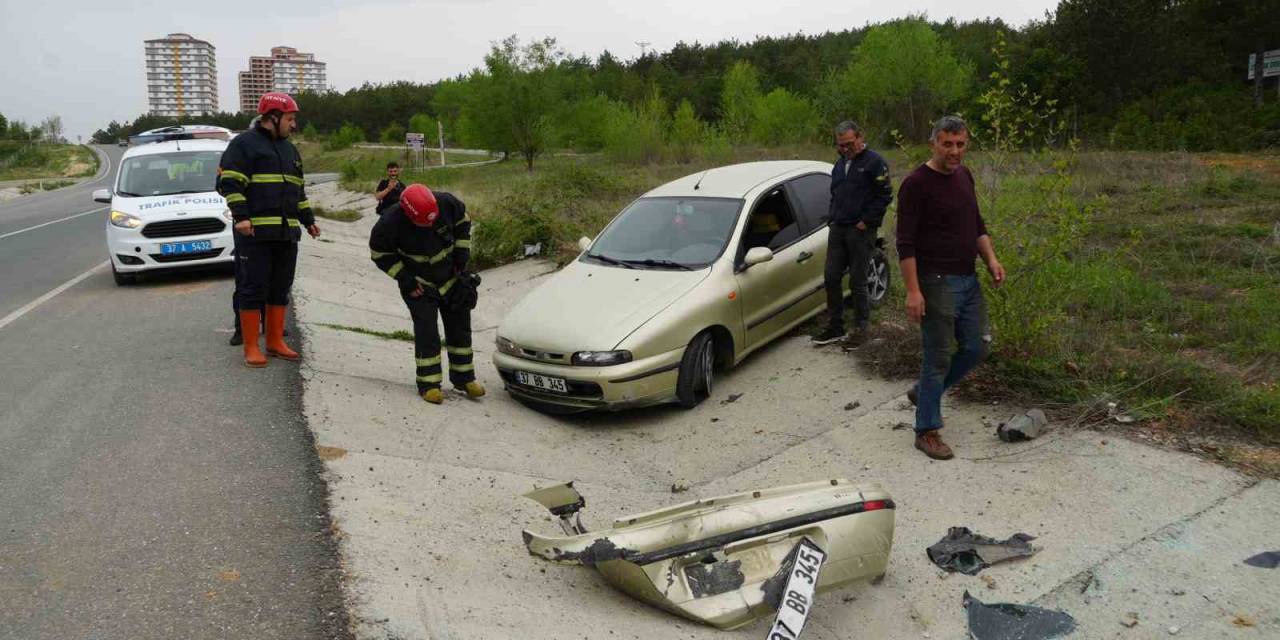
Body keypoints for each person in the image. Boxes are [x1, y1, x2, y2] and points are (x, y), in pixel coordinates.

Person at [896, 115, 1006, 460]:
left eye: (960, 144)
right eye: (947, 144)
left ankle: (925, 393)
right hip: (936, 282)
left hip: (968, 279)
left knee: (977, 347)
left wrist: (991, 259)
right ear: (934, 143)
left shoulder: (964, 175)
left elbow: (976, 224)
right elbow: (905, 243)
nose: (955, 151)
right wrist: (913, 291)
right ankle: (926, 430)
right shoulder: (916, 184)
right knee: (938, 357)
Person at [217, 92, 320, 367]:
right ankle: (251, 347)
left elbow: (298, 191)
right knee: (252, 288)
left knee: (280, 287)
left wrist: (308, 219)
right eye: (290, 119)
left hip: (286, 234)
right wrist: (241, 216)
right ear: (272, 117)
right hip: (255, 235)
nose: (293, 125)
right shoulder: (244, 145)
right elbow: (230, 182)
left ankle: (275, 342)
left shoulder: (290, 150)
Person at [369, 183, 484, 404]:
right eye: (424, 222)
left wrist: (462, 255)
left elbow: (463, 223)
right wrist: (405, 279)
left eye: (432, 219)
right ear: (408, 213)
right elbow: (379, 254)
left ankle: (464, 378)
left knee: (460, 328)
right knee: (427, 332)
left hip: (451, 278)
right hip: (419, 285)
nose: (430, 224)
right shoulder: (389, 223)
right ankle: (429, 384)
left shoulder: (447, 204)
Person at [812, 121, 893, 346]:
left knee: (858, 280)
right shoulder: (839, 165)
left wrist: (866, 221)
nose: (846, 148)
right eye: (841, 145)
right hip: (838, 228)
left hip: (861, 230)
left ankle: (861, 329)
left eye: (849, 143)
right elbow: (835, 194)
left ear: (860, 137)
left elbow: (885, 195)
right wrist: (832, 218)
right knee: (831, 277)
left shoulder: (875, 162)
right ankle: (835, 326)